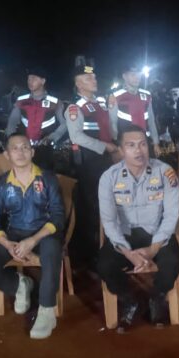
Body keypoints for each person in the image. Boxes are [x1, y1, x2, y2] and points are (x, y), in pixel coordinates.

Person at [0, 133, 65, 339]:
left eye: (25, 147)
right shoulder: (2, 184)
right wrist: (7, 244)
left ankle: (47, 310)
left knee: (52, 251)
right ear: (7, 155)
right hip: (13, 234)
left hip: (43, 234)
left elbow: (58, 217)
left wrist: (32, 240)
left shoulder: (47, 179)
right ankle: (19, 284)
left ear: (32, 152)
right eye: (15, 148)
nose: (20, 152)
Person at [97, 125, 179, 332]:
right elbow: (109, 221)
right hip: (124, 236)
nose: (138, 150)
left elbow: (171, 216)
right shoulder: (109, 177)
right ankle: (128, 300)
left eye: (143, 144)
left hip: (156, 235)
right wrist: (128, 253)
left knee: (172, 261)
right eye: (131, 145)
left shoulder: (165, 172)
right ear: (121, 150)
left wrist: (153, 249)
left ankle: (157, 297)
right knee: (104, 264)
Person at [64, 65, 117, 265]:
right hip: (89, 162)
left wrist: (113, 109)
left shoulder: (101, 102)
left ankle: (108, 246)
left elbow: (111, 128)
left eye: (94, 77)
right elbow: (76, 136)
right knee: (92, 206)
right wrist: (105, 147)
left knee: (108, 203)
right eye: (88, 78)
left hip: (105, 159)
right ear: (78, 84)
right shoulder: (75, 107)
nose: (94, 81)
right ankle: (91, 252)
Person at [5, 67, 66, 170]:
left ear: (43, 81)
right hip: (24, 149)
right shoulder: (21, 100)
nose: (30, 81)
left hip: (45, 149)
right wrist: (12, 140)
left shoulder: (55, 102)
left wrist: (53, 137)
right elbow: (12, 122)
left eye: (34, 78)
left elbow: (64, 123)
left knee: (44, 175)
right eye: (29, 78)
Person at [108, 64, 162, 156]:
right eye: (133, 75)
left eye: (138, 74)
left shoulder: (147, 95)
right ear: (125, 76)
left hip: (145, 140)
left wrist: (156, 142)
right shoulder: (116, 96)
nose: (137, 77)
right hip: (127, 143)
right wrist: (117, 144)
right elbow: (112, 123)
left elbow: (151, 121)